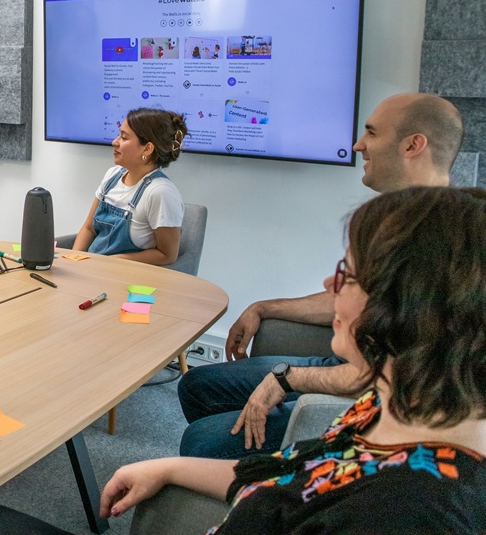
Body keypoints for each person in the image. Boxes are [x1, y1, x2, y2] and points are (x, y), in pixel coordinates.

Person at [100, 186, 486, 533]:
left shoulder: (410, 514)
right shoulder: (394, 404)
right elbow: (298, 475)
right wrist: (170, 467)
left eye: (347, 275)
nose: (329, 287)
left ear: (407, 308)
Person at [178, 93, 465, 458]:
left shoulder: (438, 245)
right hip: (343, 368)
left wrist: (287, 378)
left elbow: (385, 373)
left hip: (365, 397)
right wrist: (264, 307)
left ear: (413, 145)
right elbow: (345, 298)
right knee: (196, 386)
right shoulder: (393, 220)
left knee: (200, 441)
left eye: (372, 133)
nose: (359, 145)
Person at [72, 108, 189, 265]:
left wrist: (115, 262)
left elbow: (167, 255)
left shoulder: (161, 192)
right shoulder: (112, 175)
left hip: (125, 277)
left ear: (147, 149)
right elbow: (89, 228)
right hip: (93, 268)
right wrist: (72, 261)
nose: (115, 142)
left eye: (124, 137)